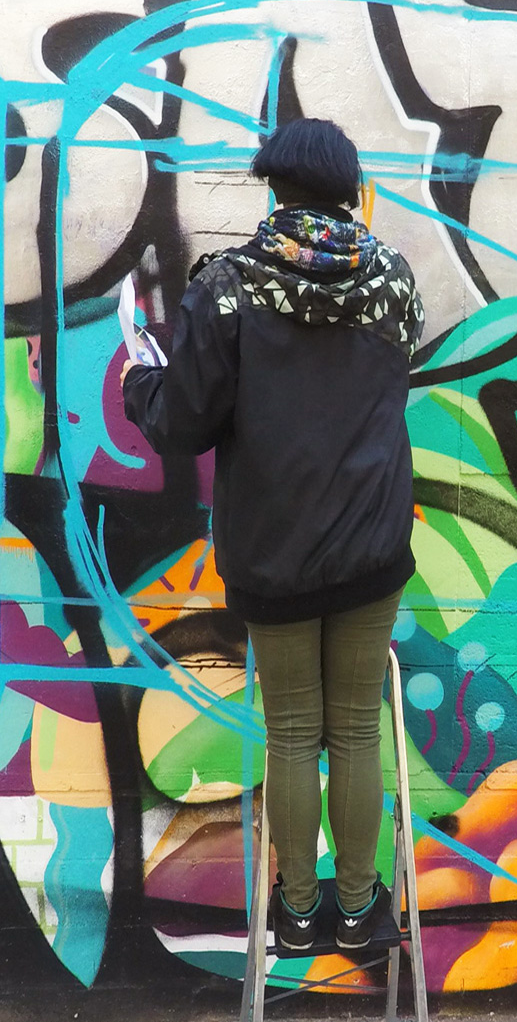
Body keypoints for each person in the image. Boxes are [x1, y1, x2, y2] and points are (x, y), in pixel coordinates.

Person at [121, 118, 423, 953]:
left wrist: (142, 380)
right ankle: (358, 912)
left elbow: (184, 422)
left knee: (293, 730)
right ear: (350, 190)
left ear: (275, 187)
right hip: (371, 544)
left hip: (272, 553)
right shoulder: (392, 279)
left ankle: (296, 913)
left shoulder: (228, 289)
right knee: (354, 727)